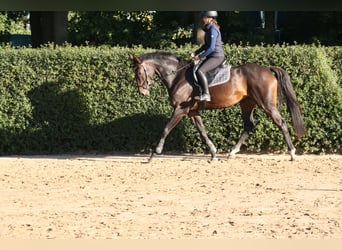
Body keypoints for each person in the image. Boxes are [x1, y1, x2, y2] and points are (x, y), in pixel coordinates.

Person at [190, 11, 225, 102]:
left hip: (217, 56)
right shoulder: (209, 29)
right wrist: (195, 53)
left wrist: (200, 57)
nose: (203, 19)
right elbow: (206, 46)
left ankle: (206, 94)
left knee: (200, 71)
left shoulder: (212, 29)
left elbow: (211, 48)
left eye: (205, 17)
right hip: (213, 56)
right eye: (203, 17)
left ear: (210, 18)